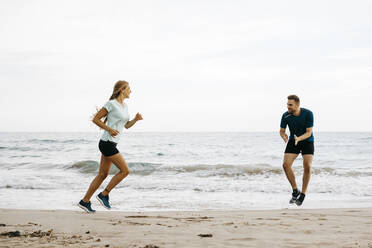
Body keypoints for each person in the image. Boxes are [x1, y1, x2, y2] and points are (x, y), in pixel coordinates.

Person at [78, 80, 143, 213]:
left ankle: (84, 201)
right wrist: (109, 129)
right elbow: (96, 119)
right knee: (125, 171)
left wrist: (135, 120)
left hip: (112, 143)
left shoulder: (125, 106)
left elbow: (126, 126)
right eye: (129, 88)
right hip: (106, 143)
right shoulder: (111, 104)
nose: (131, 91)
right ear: (122, 90)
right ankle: (104, 194)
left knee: (102, 174)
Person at [280, 95, 314, 206]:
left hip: (307, 141)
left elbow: (309, 132)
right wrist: (283, 135)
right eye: (287, 104)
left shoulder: (308, 113)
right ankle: (295, 191)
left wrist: (299, 138)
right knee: (285, 165)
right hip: (292, 141)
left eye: (290, 105)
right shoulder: (285, 116)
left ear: (297, 105)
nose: (288, 107)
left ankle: (303, 194)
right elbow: (281, 130)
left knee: (307, 167)